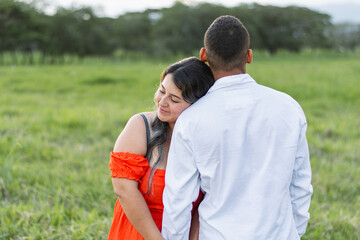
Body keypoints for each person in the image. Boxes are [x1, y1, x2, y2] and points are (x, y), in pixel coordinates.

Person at [162, 15, 313, 240]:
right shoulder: (289, 107)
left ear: (204, 55)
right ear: (249, 56)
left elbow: (178, 199)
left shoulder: (191, 120)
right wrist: (294, 231)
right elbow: (300, 183)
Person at [107, 57, 214, 240]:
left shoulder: (208, 139)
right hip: (140, 231)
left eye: (174, 99)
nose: (162, 102)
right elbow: (124, 190)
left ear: (198, 105)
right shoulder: (141, 126)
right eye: (161, 91)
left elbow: (208, 202)